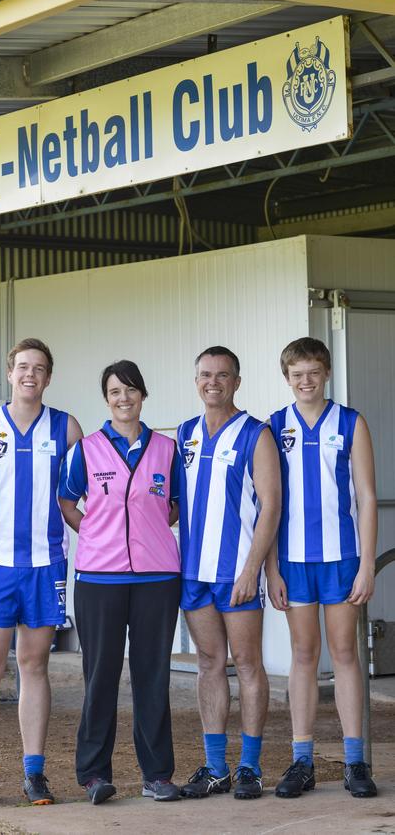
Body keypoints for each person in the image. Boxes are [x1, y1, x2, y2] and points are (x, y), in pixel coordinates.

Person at [0, 338, 83, 806]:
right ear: (10, 374)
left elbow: (78, 492)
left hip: (45, 565)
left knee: (34, 667)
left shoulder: (67, 427)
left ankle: (34, 773)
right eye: (23, 367)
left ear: (49, 377)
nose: (30, 374)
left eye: (40, 368)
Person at [59, 360, 182, 805]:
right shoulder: (86, 450)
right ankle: (94, 774)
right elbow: (67, 501)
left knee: (153, 675)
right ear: (106, 399)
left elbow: (174, 505)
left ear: (142, 395)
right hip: (98, 578)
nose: (123, 398)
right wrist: (93, 532)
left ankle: (157, 775)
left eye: (130, 390)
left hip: (157, 578)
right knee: (100, 677)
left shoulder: (166, 450)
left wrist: (149, 530)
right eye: (114, 391)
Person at [267, 337, 378, 799]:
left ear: (326, 372)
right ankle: (302, 760)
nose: (306, 381)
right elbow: (267, 505)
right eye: (297, 375)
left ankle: (355, 763)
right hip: (293, 559)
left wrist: (367, 563)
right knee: (304, 657)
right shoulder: (274, 426)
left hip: (341, 558)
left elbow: (368, 496)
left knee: (346, 654)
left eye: (313, 372)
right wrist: (271, 568)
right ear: (287, 378)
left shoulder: (350, 422)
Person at [177, 346, 281, 800]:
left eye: (222, 375)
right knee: (207, 663)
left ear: (237, 381)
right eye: (205, 374)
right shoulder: (184, 434)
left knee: (249, 665)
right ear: (196, 380)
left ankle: (251, 768)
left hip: (235, 571)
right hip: (192, 573)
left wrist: (252, 569)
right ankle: (216, 767)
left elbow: (271, 506)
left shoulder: (256, 434)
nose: (212, 382)